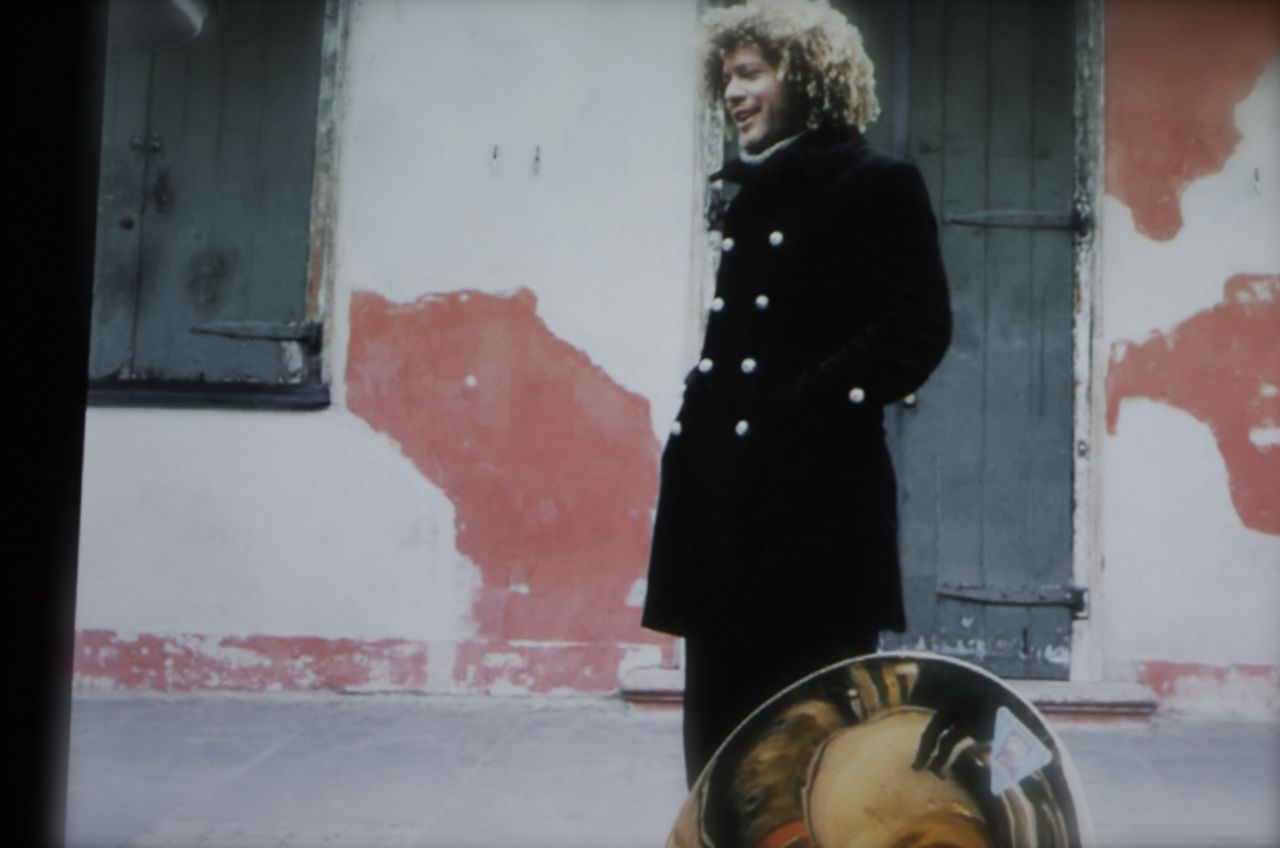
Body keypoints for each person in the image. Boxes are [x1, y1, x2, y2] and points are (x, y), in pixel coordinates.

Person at [640, 0, 952, 787]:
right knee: (718, 756)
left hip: (815, 513)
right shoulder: (752, 188)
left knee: (814, 758)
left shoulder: (879, 183)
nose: (732, 94)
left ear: (804, 75)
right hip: (721, 509)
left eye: (749, 73)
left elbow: (918, 328)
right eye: (725, 78)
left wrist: (810, 401)